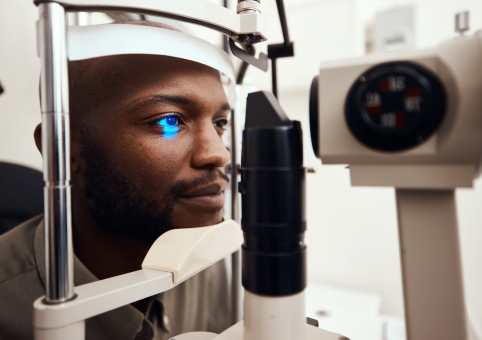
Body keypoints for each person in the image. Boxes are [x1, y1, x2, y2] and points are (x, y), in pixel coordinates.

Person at [0, 20, 233, 340]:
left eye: (220, 122)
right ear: (62, 150)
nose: (218, 153)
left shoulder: (215, 259)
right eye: (168, 121)